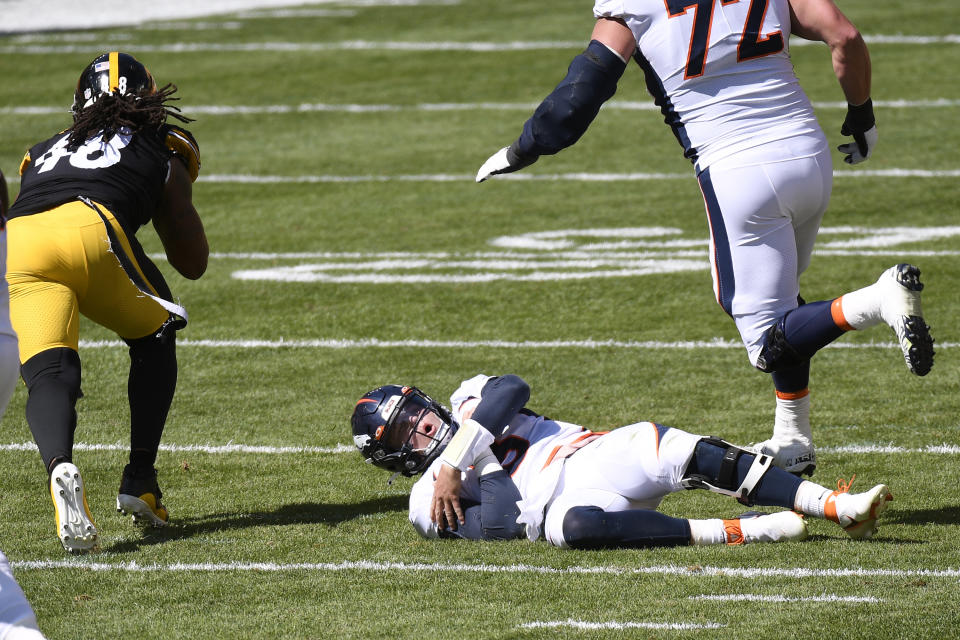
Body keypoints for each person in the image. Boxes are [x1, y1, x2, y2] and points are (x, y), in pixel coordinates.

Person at [475, 0, 934, 477]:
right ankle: (792, 437)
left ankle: (878, 298)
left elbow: (579, 95)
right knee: (784, 311)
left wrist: (522, 148)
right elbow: (845, 37)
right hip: (808, 153)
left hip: (739, 170)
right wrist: (862, 116)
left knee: (766, 342)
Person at [4, 52, 208, 553]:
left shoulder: (43, 149)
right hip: (90, 228)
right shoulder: (161, 143)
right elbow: (192, 261)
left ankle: (60, 465)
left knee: (48, 371)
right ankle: (139, 479)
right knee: (156, 329)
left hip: (20, 241)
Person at [351, 374, 893, 548]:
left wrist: (456, 461)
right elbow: (504, 523)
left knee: (679, 450)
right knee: (572, 528)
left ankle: (837, 505)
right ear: (393, 454)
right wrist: (474, 465)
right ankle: (740, 530)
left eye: (414, 412)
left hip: (590, 453)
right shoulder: (423, 501)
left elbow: (511, 389)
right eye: (403, 429)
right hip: (562, 507)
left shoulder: (469, 399)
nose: (421, 424)